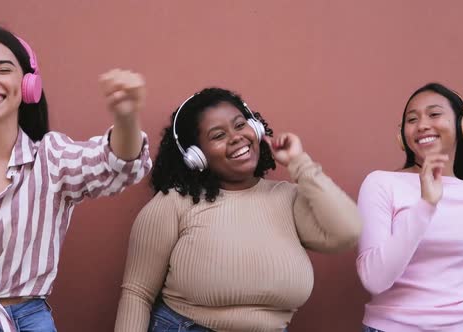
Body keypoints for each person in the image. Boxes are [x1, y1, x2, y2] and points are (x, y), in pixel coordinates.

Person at [0, 26, 151, 332]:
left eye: (3, 69)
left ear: (29, 84)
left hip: (25, 322)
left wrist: (126, 117)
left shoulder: (51, 157)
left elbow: (118, 166)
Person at [114, 87, 362, 332]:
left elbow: (348, 231)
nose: (236, 137)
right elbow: (138, 293)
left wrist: (300, 163)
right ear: (196, 156)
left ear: (255, 128)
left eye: (240, 125)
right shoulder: (174, 203)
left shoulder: (287, 198)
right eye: (218, 135)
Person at [357, 83, 463, 331]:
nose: (422, 125)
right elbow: (374, 279)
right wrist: (426, 205)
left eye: (434, 114)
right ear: (402, 135)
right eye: (412, 119)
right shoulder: (381, 184)